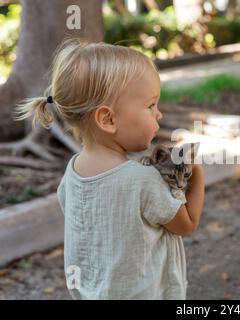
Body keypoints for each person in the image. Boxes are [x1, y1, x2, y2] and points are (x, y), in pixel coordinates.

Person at [13, 38, 205, 299]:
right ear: (108, 119)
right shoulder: (142, 180)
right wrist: (198, 174)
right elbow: (187, 224)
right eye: (150, 106)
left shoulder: (72, 175)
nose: (158, 114)